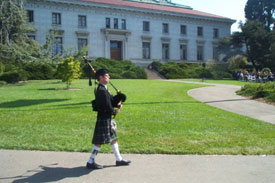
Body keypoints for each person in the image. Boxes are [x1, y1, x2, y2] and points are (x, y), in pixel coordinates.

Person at [86, 69, 131, 169]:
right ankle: (90, 161)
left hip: (107, 119)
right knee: (99, 141)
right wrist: (115, 111)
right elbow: (106, 107)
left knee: (113, 139)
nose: (109, 77)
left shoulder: (104, 89)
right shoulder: (101, 91)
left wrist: (119, 98)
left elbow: (110, 101)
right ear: (101, 78)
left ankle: (119, 159)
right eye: (107, 75)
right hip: (104, 118)